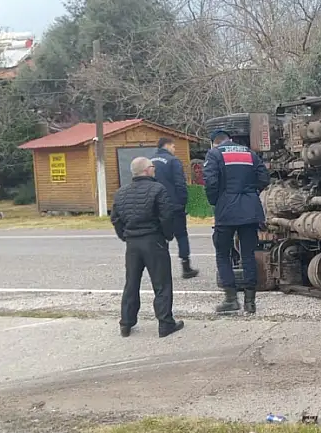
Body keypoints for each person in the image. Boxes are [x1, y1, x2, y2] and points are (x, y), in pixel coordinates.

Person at [110, 156, 186, 338]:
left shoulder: (121, 193)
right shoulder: (158, 189)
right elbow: (166, 216)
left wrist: (125, 236)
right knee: (162, 284)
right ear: (147, 170)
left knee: (131, 283)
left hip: (132, 243)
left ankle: (126, 323)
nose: (155, 169)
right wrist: (167, 236)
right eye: (153, 166)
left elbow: (115, 218)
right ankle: (165, 323)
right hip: (154, 241)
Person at [204, 129, 270, 315]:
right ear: (230, 139)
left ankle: (231, 300)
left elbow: (210, 182)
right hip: (250, 210)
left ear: (214, 142)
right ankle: (250, 303)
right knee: (248, 254)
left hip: (226, 210)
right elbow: (264, 178)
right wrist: (250, 192)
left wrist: (216, 200)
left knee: (223, 254)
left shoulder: (214, 154)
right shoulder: (250, 153)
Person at [150, 137, 199, 279]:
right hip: (174, 205)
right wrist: (183, 201)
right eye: (173, 146)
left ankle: (160, 269)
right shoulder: (173, 161)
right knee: (181, 235)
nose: (174, 149)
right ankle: (186, 267)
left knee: (160, 237)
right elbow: (180, 183)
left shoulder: (150, 161)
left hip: (157, 206)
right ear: (167, 145)